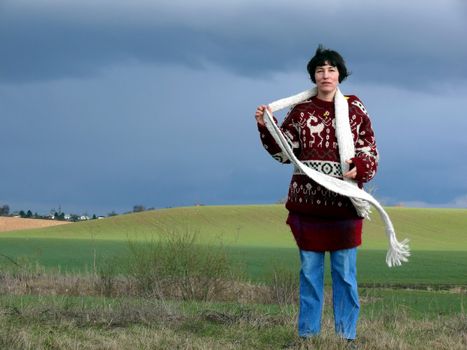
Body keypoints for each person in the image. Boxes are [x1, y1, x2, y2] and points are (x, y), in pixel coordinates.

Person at [255, 45, 379, 343]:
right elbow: (285, 154)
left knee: (345, 277)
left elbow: (370, 150)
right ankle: (306, 338)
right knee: (310, 276)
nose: (326, 74)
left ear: (340, 75)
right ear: (313, 75)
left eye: (331, 69)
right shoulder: (299, 111)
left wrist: (359, 167)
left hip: (344, 206)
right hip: (307, 208)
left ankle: (346, 338)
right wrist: (265, 126)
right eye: (320, 69)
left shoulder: (355, 108)